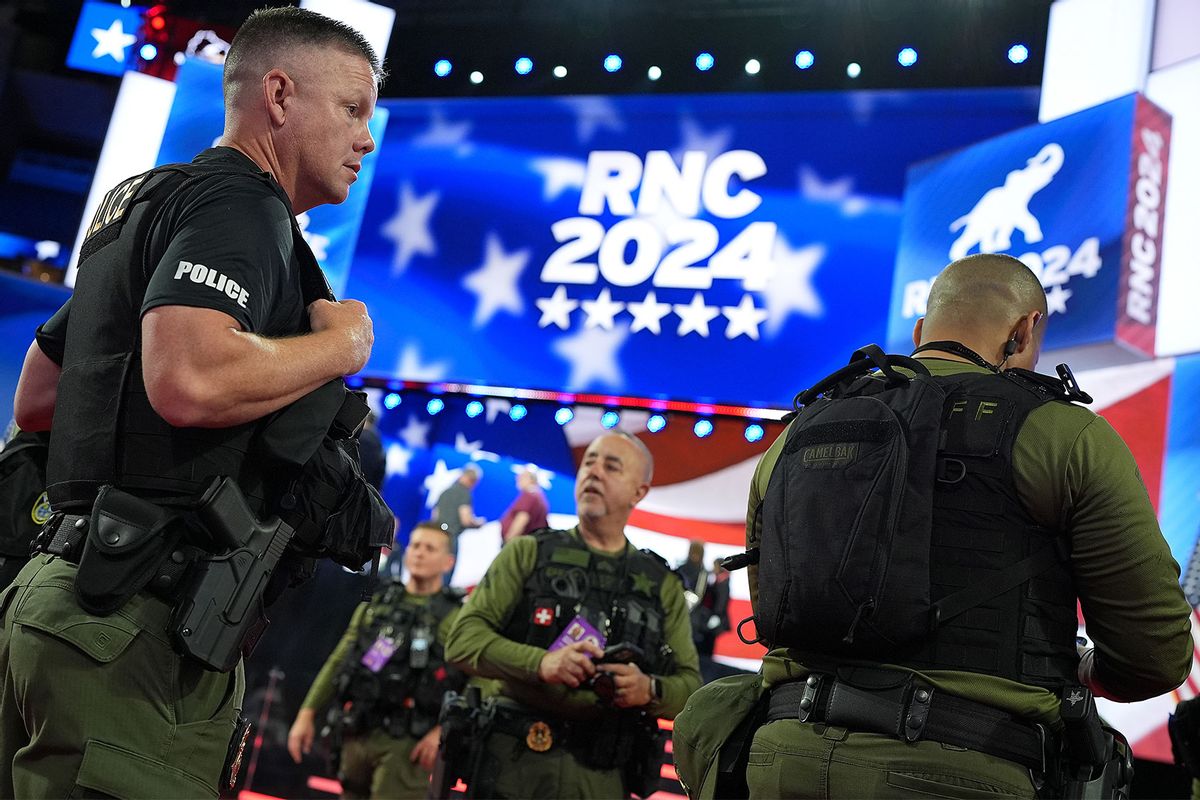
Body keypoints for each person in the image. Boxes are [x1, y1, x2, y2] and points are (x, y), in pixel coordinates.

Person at [0, 7, 382, 798]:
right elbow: (190, 381)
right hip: (133, 635)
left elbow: (38, 394)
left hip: (56, 604)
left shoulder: (153, 200)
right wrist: (343, 347)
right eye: (352, 109)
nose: (366, 139)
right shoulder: (242, 207)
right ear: (278, 95)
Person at [676, 253, 1194, 799]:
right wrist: (1085, 668)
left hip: (779, 758)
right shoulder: (1063, 435)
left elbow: (775, 611)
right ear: (1024, 331)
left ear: (922, 330)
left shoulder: (799, 434)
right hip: (965, 771)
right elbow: (1154, 655)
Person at [443, 432, 701, 798]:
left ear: (639, 492)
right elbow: (462, 641)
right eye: (589, 462)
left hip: (600, 774)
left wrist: (649, 688)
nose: (594, 472)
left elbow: (691, 687)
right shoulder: (527, 553)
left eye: (611, 466)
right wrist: (541, 663)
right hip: (510, 765)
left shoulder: (662, 585)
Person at [288, 522, 466, 800]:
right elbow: (340, 660)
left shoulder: (456, 618)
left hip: (408, 742)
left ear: (448, 562)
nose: (419, 553)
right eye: (416, 545)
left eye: (430, 548)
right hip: (359, 729)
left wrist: (441, 732)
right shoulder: (378, 604)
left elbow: (476, 679)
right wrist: (307, 712)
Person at [432, 462, 485, 578]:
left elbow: (435, 514)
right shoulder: (465, 494)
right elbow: (465, 519)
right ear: (472, 480)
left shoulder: (445, 491)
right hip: (450, 538)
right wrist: (478, 524)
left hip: (436, 535)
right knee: (445, 571)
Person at [499, 464, 549, 543]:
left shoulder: (530, 495)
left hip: (520, 544)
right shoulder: (538, 495)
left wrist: (509, 540)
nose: (518, 480)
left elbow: (522, 518)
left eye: (522, 477)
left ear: (531, 479)